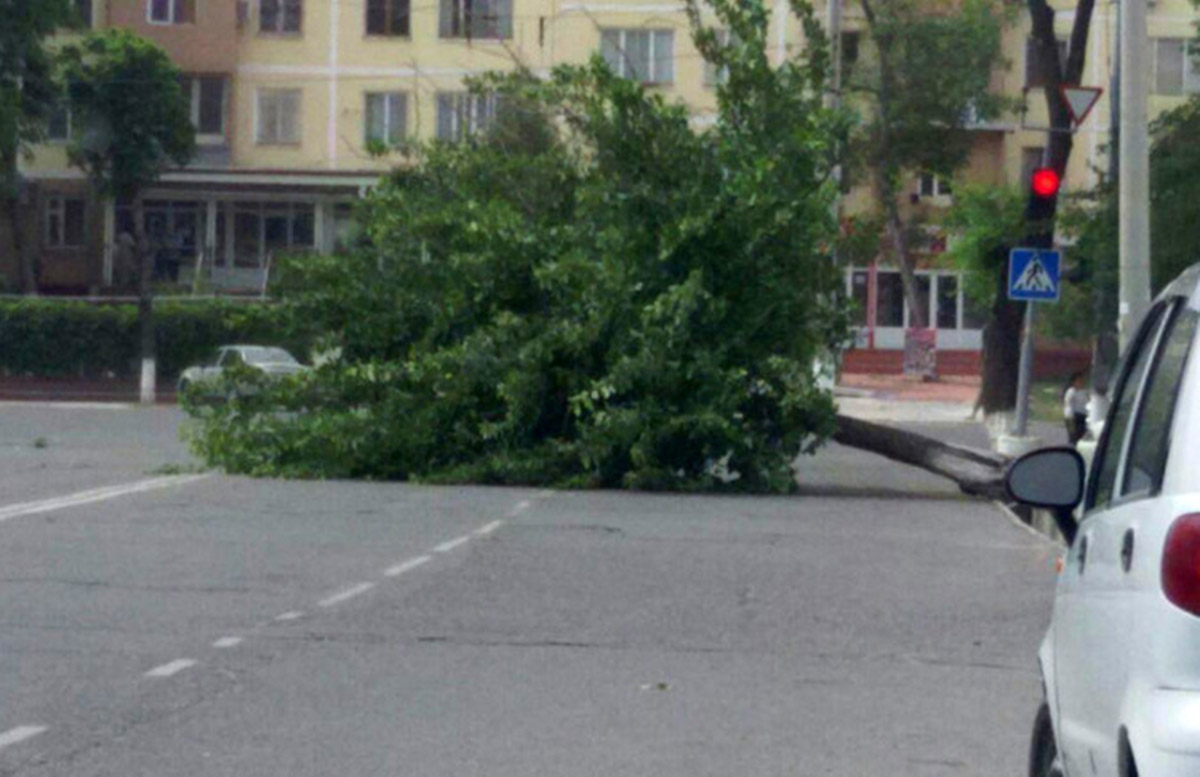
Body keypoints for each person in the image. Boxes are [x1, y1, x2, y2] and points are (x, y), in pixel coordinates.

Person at [1063, 371, 1090, 445]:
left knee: (1081, 436)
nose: (1081, 383)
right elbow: (1068, 404)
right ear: (1074, 382)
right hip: (1072, 417)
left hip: (1082, 416)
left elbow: (1088, 403)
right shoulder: (1071, 392)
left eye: (1082, 381)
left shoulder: (1084, 392)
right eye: (1079, 381)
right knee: (1073, 436)